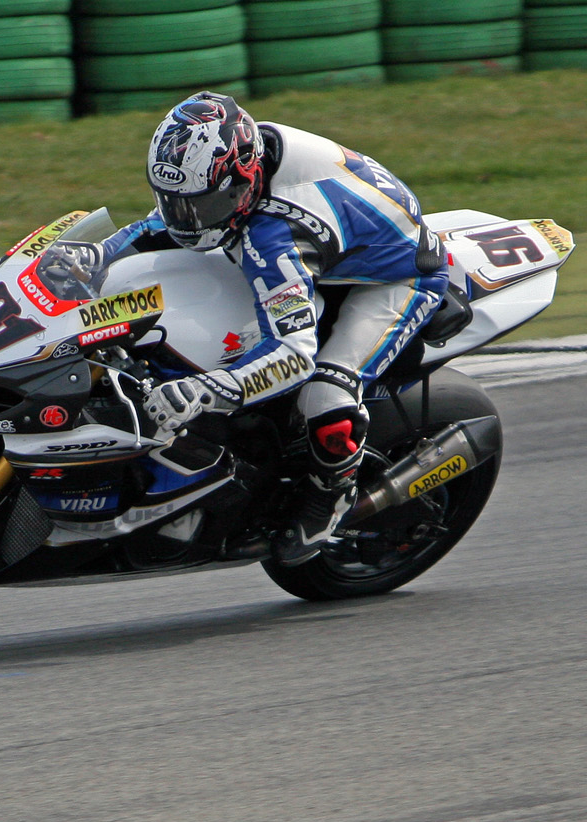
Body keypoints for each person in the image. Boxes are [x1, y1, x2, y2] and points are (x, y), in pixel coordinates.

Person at [97, 91, 449, 565]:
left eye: (200, 206)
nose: (187, 220)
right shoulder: (231, 163)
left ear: (243, 183)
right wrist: (94, 255)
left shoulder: (276, 233)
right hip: (335, 254)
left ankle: (332, 495)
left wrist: (205, 390)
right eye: (178, 202)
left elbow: (294, 355)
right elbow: (158, 225)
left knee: (325, 396)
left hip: (396, 279)